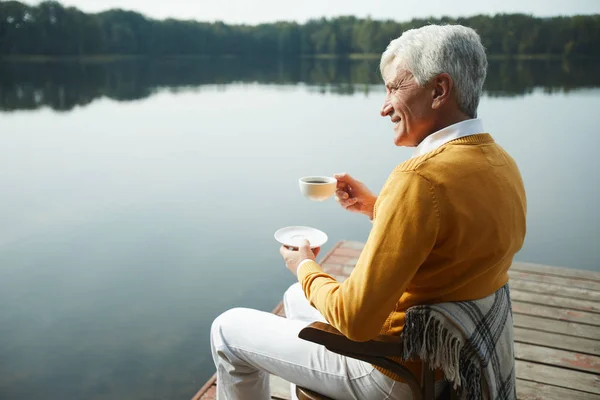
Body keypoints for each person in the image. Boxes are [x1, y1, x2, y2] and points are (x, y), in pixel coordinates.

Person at [211, 24, 527, 400]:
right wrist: (378, 207)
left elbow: (357, 321)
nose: (384, 106)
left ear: (439, 90)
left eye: (395, 87)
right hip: (449, 357)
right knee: (297, 298)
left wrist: (306, 265)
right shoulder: (498, 161)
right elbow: (452, 241)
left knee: (228, 329)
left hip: (396, 370)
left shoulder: (419, 177)